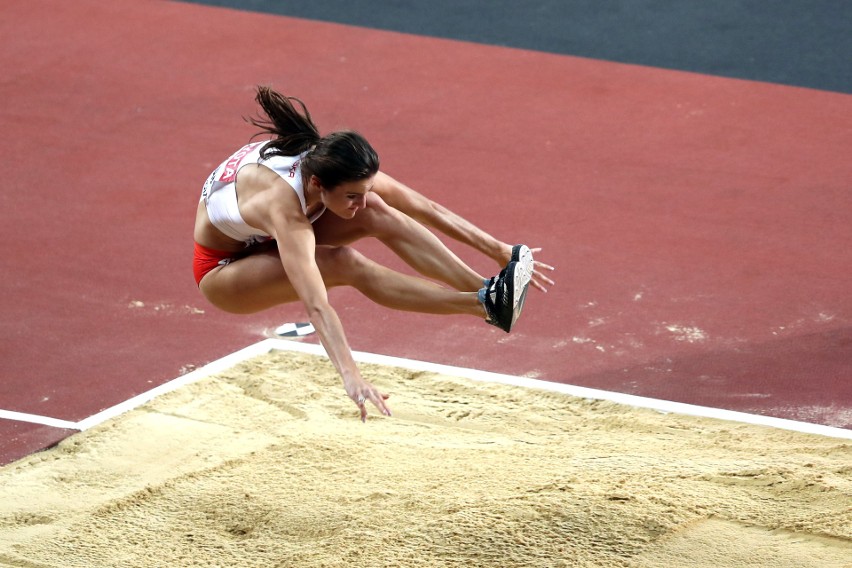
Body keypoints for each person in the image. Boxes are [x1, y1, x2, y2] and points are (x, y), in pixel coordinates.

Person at [193, 86, 554, 421]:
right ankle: (479, 304)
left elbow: (424, 207)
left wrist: (500, 250)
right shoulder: (284, 209)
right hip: (224, 271)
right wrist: (351, 376)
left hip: (261, 237)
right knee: (342, 262)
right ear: (318, 184)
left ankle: (490, 292)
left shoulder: (332, 164)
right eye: (351, 195)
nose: (359, 201)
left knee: (377, 209)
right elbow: (317, 305)